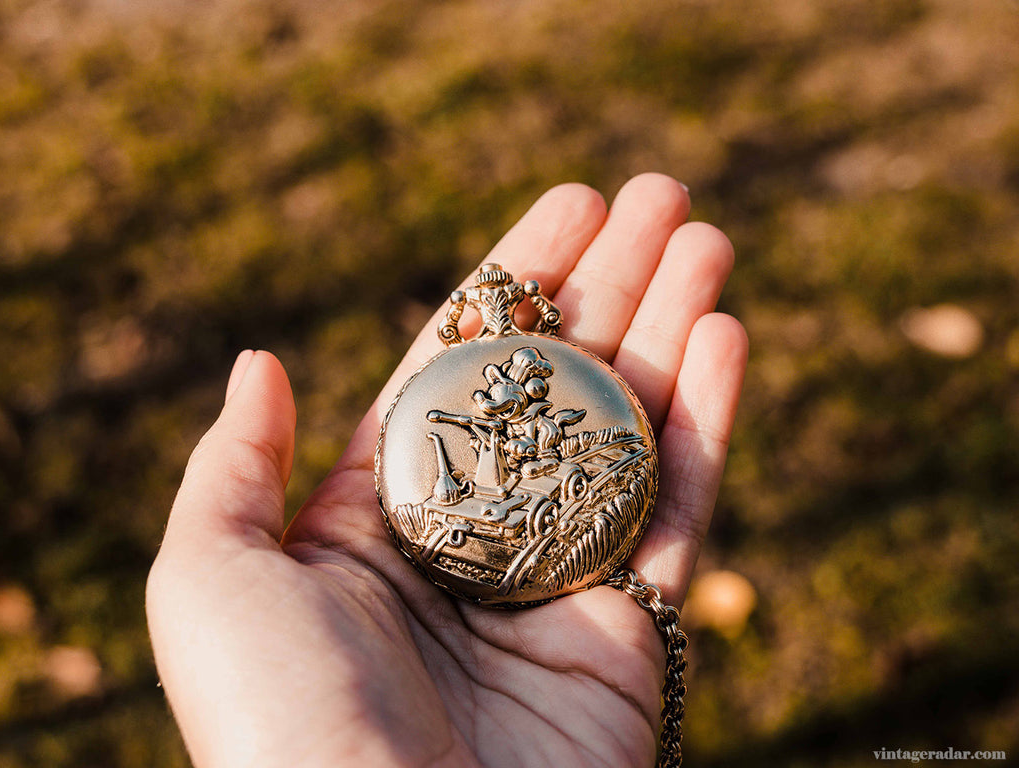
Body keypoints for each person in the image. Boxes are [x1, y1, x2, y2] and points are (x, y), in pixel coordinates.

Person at [145, 173, 748, 768]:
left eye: (520, 391)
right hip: (509, 488)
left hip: (534, 480)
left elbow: (534, 442)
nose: (507, 397)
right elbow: (490, 431)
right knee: (489, 480)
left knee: (516, 484)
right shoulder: (499, 413)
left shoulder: (542, 419)